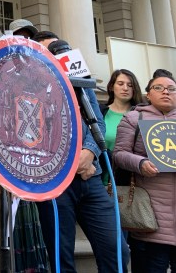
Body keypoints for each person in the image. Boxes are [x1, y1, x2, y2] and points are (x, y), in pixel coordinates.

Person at [36, 63, 130, 272]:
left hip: (90, 177)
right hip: (54, 183)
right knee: (62, 257)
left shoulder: (77, 77)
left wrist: (88, 152)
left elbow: (97, 122)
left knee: (117, 250)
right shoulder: (32, 81)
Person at [113, 74, 176, 272]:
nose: (166, 91)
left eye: (171, 88)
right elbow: (119, 154)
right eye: (159, 87)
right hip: (150, 215)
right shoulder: (134, 118)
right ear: (148, 94)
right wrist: (140, 163)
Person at [100, 69, 144, 183]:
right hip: (99, 179)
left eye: (130, 85)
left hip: (131, 180)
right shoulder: (99, 113)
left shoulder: (142, 115)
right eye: (120, 84)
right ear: (111, 86)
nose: (125, 88)